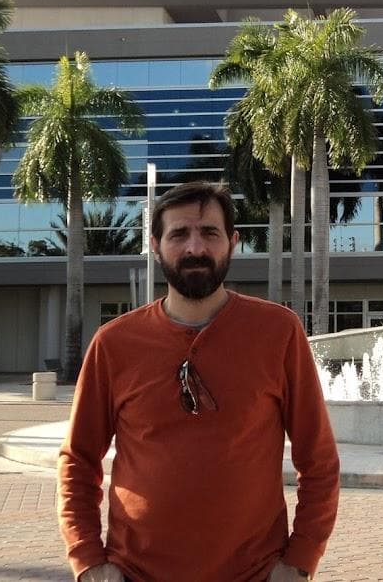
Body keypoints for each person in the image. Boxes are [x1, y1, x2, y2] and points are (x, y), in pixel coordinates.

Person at [58, 181, 339, 581]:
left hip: (254, 574)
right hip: (136, 573)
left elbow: (319, 459)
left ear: (233, 242)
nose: (195, 248)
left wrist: (300, 560)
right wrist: (88, 561)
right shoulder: (114, 343)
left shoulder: (278, 333)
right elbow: (78, 460)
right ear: (155, 244)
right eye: (179, 234)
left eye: (210, 233)